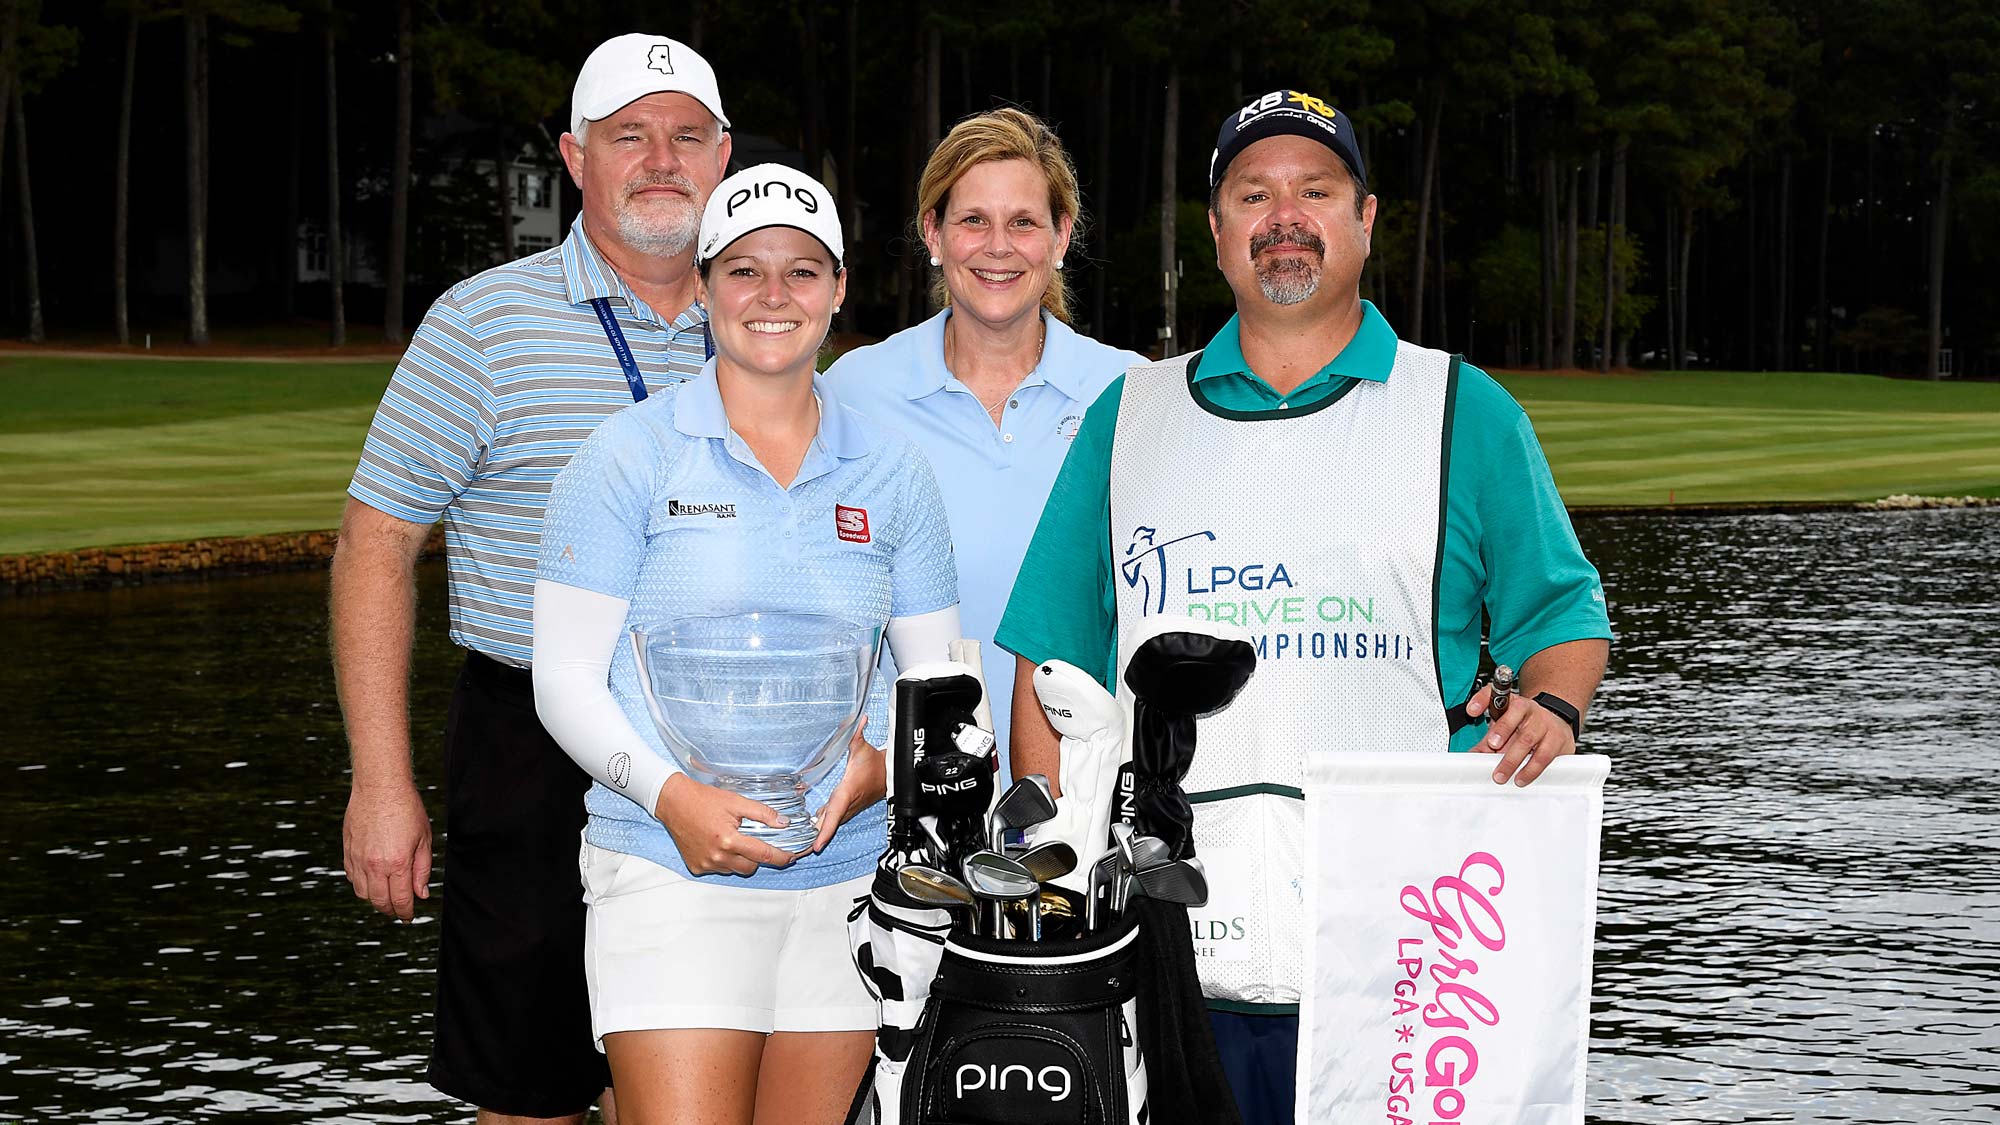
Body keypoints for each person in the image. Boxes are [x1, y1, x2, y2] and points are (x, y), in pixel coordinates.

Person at [995, 88, 1614, 1124]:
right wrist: (1048, 890)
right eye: (1252, 195)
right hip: (1169, 953)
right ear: (1217, 231)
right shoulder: (1130, 415)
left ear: (1364, 220)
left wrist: (1549, 709)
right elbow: (1046, 663)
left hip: (1406, 954)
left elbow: (1563, 625)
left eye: (1314, 190)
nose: (1283, 216)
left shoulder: (1461, 408)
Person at [331, 33, 731, 1124]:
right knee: (529, 1089)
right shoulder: (482, 322)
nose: (660, 160)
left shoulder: (763, 318)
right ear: (574, 156)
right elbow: (376, 543)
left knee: (696, 1078)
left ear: (722, 157)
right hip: (534, 748)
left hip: (725, 739)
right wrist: (381, 782)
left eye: (686, 137)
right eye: (628, 137)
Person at [530, 163, 960, 1125]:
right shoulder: (625, 455)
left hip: (847, 875)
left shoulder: (894, 473)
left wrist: (881, 771)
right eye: (744, 271)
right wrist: (672, 797)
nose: (774, 296)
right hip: (666, 866)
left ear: (839, 289)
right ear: (705, 287)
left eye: (803, 272)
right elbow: (562, 681)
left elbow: (941, 685)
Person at [824, 108, 1141, 762]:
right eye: (973, 220)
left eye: (1023, 222)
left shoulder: (1131, 392)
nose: (998, 246)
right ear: (933, 234)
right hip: (903, 796)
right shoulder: (854, 392)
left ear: (1060, 237)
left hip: (1081, 804)